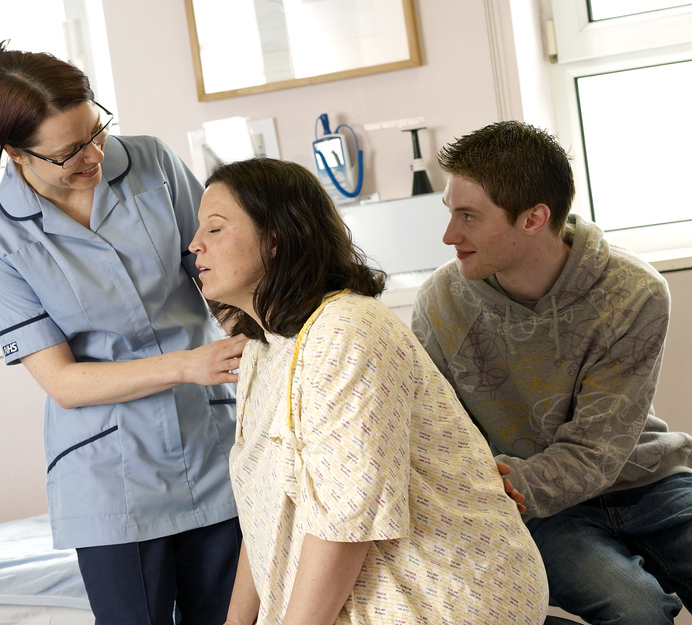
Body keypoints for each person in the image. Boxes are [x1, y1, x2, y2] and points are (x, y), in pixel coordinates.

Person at [189, 157, 549, 625]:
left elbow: (344, 526)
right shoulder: (265, 346)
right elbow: (265, 512)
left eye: (215, 229)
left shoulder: (345, 332)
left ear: (276, 237)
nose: (195, 244)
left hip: (442, 597)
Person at [0, 43, 246, 625]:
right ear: (17, 154)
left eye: (98, 129)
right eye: (69, 151)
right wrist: (187, 365)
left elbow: (225, 281)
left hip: (212, 442)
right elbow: (63, 381)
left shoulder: (151, 163)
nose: (94, 154)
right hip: (109, 473)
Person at [411, 120, 692, 625]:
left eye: (468, 216)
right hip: (538, 508)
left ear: (533, 218)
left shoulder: (634, 293)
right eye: (450, 212)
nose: (448, 235)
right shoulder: (441, 303)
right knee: (636, 610)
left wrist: (491, 483)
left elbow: (595, 451)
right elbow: (434, 432)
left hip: (649, 481)